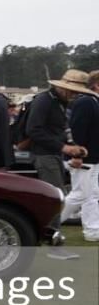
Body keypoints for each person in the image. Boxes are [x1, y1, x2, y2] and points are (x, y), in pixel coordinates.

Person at [26, 69, 91, 234]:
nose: (75, 95)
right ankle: (51, 238)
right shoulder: (44, 101)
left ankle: (51, 236)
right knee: (55, 198)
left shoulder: (59, 102)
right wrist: (65, 148)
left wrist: (73, 148)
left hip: (52, 155)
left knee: (56, 197)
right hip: (43, 155)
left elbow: (61, 130)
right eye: (73, 92)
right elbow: (33, 131)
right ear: (63, 88)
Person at [62, 70, 99, 241]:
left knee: (91, 195)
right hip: (83, 158)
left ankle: (92, 231)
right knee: (80, 194)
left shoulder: (92, 101)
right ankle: (48, 223)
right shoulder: (86, 102)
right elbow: (77, 130)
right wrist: (76, 155)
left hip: (92, 157)